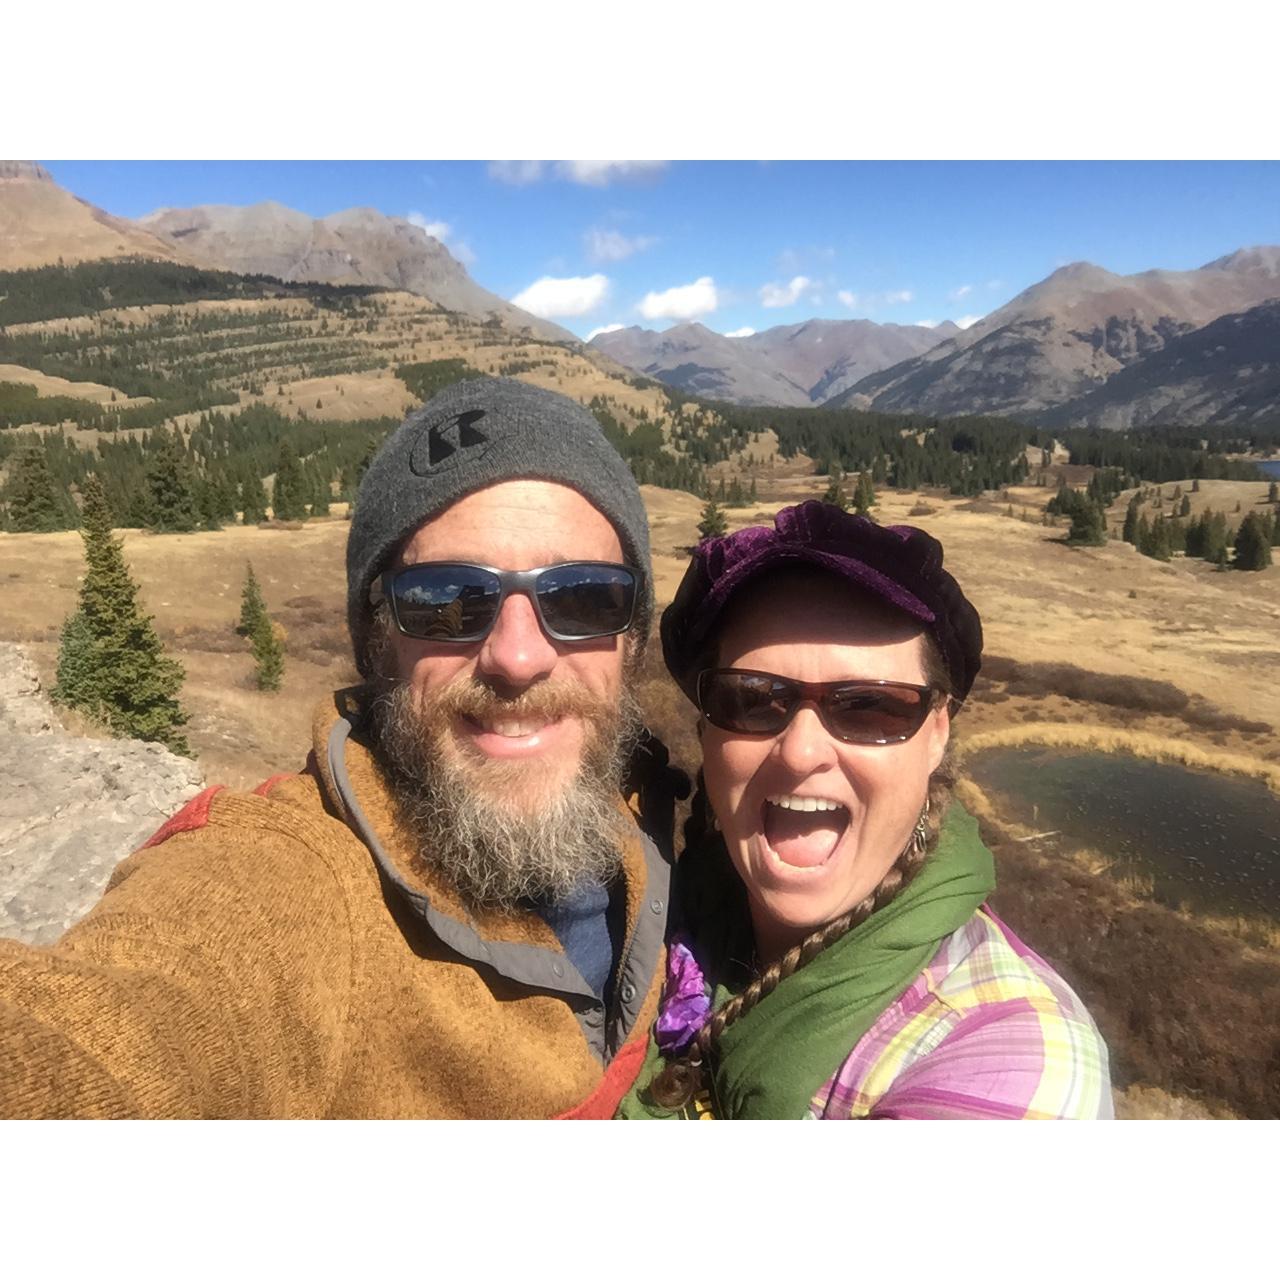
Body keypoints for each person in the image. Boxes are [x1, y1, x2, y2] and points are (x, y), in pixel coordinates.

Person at [0, 377, 685, 1119]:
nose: (518, 658)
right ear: (377, 642)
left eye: (583, 597)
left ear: (632, 637)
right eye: (446, 599)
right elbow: (108, 1033)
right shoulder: (295, 888)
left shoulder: (655, 799)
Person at [619, 500, 1112, 1119]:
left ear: (938, 734)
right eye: (752, 699)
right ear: (707, 731)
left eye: (870, 707)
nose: (800, 753)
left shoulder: (1013, 1056)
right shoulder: (649, 907)